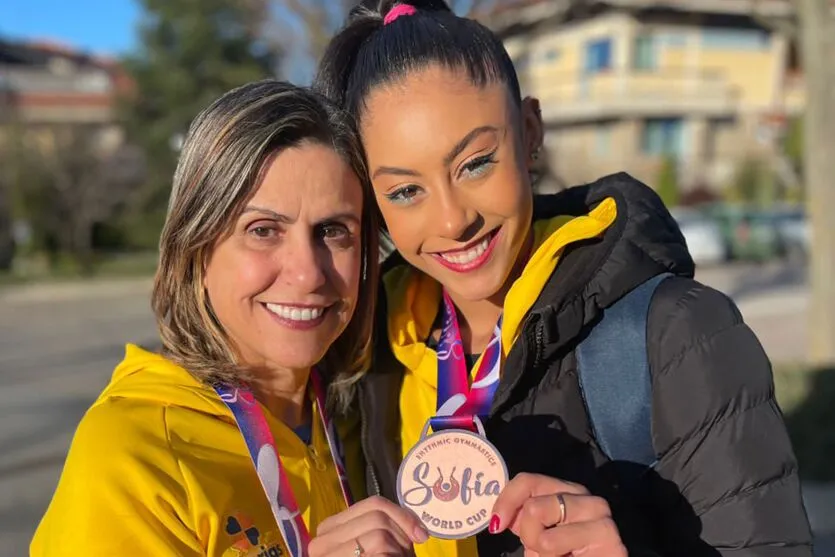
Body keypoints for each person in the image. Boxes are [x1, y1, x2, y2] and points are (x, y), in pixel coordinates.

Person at [315, 2, 813, 556]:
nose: (454, 221)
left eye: (476, 163)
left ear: (530, 133)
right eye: (406, 191)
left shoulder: (677, 333)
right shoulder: (362, 359)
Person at [31, 80, 427, 557]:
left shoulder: (360, 411)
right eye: (263, 230)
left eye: (332, 230)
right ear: (196, 250)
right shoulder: (131, 452)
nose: (307, 273)